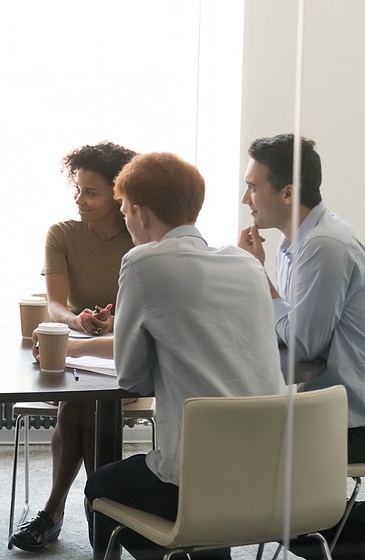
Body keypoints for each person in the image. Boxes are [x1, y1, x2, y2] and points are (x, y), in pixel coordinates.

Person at [66, 152, 286, 560]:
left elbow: (133, 379)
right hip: (272, 475)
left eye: (126, 211)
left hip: (196, 481)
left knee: (100, 486)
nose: (126, 221)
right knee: (202, 495)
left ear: (141, 213)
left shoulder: (143, 262)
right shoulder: (245, 263)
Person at [238, 134, 365, 558]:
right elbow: (291, 322)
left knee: (246, 476)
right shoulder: (297, 243)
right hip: (324, 406)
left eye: (253, 186)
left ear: (288, 192)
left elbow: (303, 341)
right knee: (237, 466)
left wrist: (259, 281)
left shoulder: (324, 246)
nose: (245, 198)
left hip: (350, 418)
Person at [9, 141, 136, 552]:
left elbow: (147, 313)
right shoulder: (62, 234)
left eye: (91, 193)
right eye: (77, 190)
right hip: (80, 347)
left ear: (119, 196)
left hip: (127, 350)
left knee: (79, 403)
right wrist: (78, 321)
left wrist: (114, 322)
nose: (80, 200)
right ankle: (103, 511)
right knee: (79, 401)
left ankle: (54, 511)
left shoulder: (141, 237)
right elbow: (56, 305)